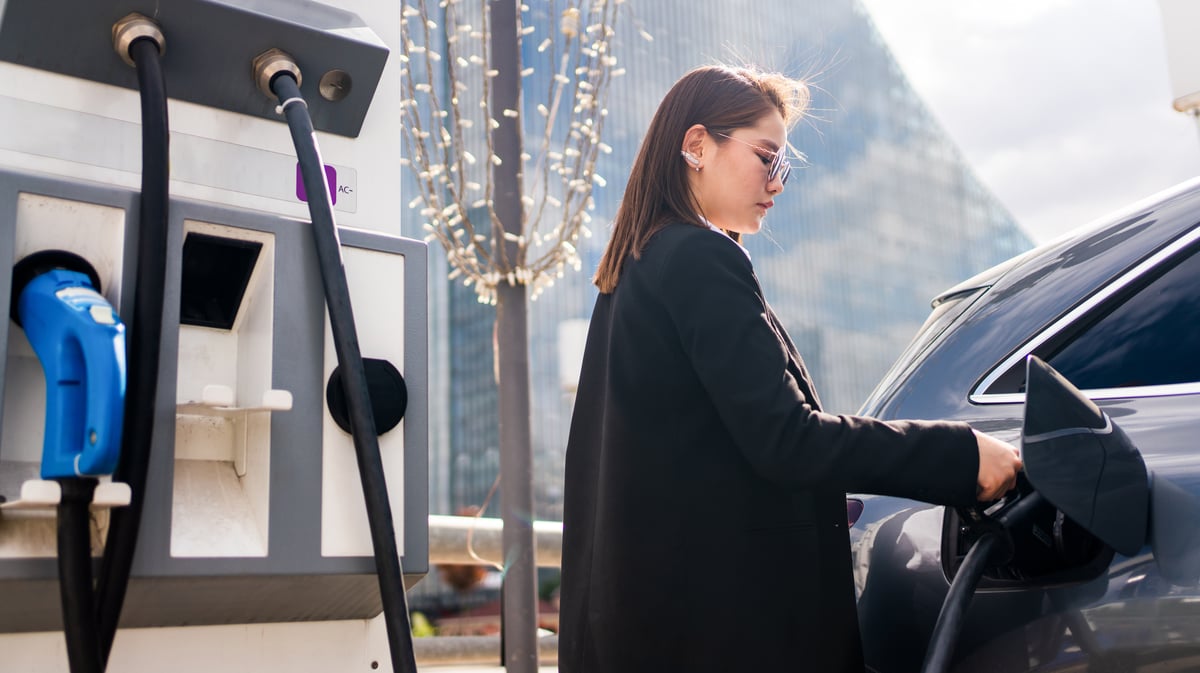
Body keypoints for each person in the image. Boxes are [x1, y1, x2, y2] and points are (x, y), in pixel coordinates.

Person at [557, 64, 1023, 673]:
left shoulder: (633, 272)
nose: (778, 183)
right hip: (730, 636)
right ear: (697, 145)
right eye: (767, 157)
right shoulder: (699, 257)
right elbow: (787, 439)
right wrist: (961, 456)